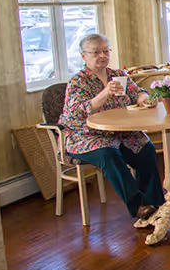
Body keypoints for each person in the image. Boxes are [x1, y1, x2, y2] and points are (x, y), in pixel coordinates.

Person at [58, 33, 164, 222]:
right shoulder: (78, 82)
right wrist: (105, 92)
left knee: (146, 149)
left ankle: (155, 204)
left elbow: (137, 92)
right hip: (86, 136)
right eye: (96, 52)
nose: (102, 55)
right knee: (109, 155)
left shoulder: (117, 75)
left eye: (105, 51)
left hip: (120, 133)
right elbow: (78, 112)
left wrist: (144, 99)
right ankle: (140, 206)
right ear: (84, 56)